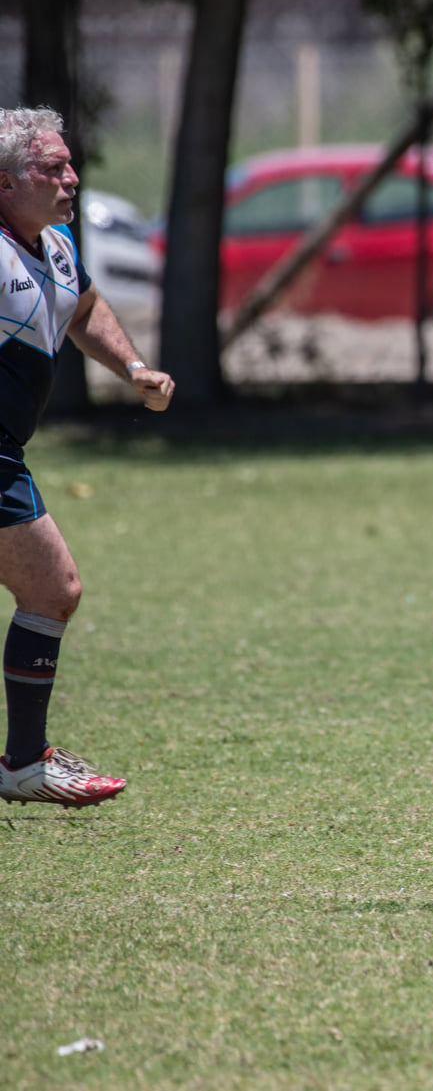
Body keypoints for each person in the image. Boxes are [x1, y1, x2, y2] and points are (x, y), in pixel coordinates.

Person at [0, 107, 175, 808]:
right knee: (53, 587)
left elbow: (82, 307)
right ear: (6, 183)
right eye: (52, 167)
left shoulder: (58, 244)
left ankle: (22, 760)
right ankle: (23, 761)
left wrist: (131, 366)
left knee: (50, 590)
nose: (71, 177)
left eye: (70, 164)